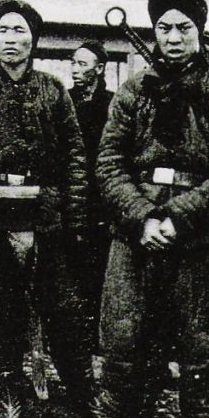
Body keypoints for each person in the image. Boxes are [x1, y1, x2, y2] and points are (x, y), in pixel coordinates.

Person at [73, 0, 209, 418]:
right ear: (155, 32)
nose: (173, 38)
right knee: (120, 350)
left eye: (184, 28)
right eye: (164, 28)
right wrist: (143, 219)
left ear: (200, 32)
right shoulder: (132, 92)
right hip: (135, 240)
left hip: (198, 241)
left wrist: (178, 218)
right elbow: (108, 165)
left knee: (204, 354)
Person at [0, 0, 94, 418]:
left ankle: (85, 400)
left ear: (34, 40)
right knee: (3, 319)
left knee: (65, 315)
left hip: (46, 219)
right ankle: (10, 402)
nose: (10, 39)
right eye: (2, 30)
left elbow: (76, 158)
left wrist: (73, 218)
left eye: (19, 30)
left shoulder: (53, 90)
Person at [69, 41, 114, 351]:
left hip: (102, 199)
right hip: (73, 193)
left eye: (82, 64)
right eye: (73, 62)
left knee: (100, 268)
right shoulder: (65, 101)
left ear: (99, 69)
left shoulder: (111, 104)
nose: (75, 69)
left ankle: (99, 337)